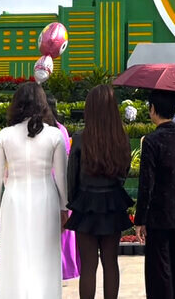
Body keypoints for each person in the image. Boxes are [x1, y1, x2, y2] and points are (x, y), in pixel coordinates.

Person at [0, 81, 68, 298]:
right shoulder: (54, 135)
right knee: (45, 253)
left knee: (15, 254)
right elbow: (61, 176)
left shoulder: (4, 135)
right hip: (46, 198)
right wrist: (64, 207)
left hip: (14, 199)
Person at [65, 85, 133, 299]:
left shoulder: (80, 137)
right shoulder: (121, 137)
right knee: (111, 262)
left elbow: (72, 176)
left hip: (85, 202)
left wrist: (74, 200)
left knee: (88, 266)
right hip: (112, 201)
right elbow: (124, 171)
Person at [134, 89, 175, 299]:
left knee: (160, 274)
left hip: (160, 218)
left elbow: (146, 184)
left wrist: (140, 219)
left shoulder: (152, 141)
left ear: (153, 109)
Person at [46, 93, 81, 281]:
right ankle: (66, 267)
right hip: (60, 181)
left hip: (47, 181)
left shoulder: (44, 130)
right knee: (63, 225)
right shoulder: (60, 129)